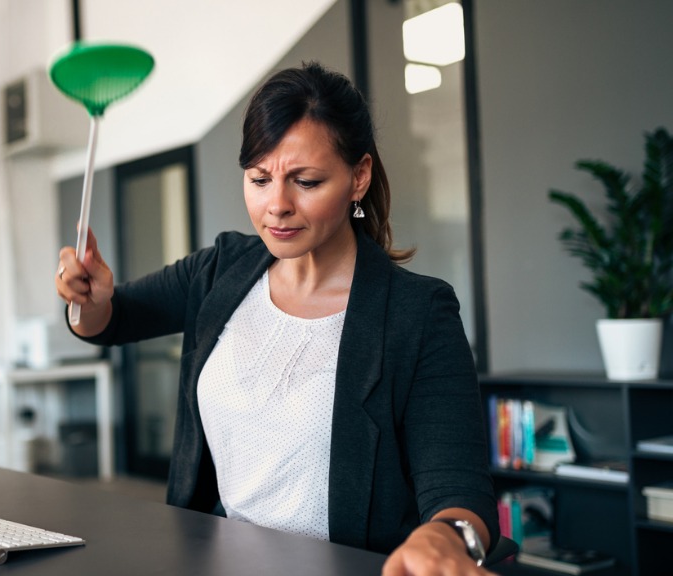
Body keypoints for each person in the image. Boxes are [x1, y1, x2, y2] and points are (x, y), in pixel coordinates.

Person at [55, 62, 499, 575]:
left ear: (359, 176)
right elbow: (111, 321)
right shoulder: (221, 269)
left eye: (306, 181)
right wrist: (88, 299)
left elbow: (460, 491)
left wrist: (447, 537)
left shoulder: (417, 313)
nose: (277, 206)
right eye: (260, 179)